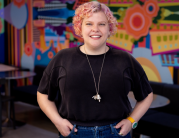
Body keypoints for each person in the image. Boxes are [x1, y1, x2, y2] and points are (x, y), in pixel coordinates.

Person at [37, 1, 153, 138]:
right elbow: (43, 94)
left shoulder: (125, 59)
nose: (95, 29)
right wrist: (57, 122)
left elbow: (147, 95)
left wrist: (131, 121)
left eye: (101, 24)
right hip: (74, 133)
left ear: (109, 28)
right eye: (89, 23)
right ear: (80, 27)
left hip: (115, 133)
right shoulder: (62, 58)